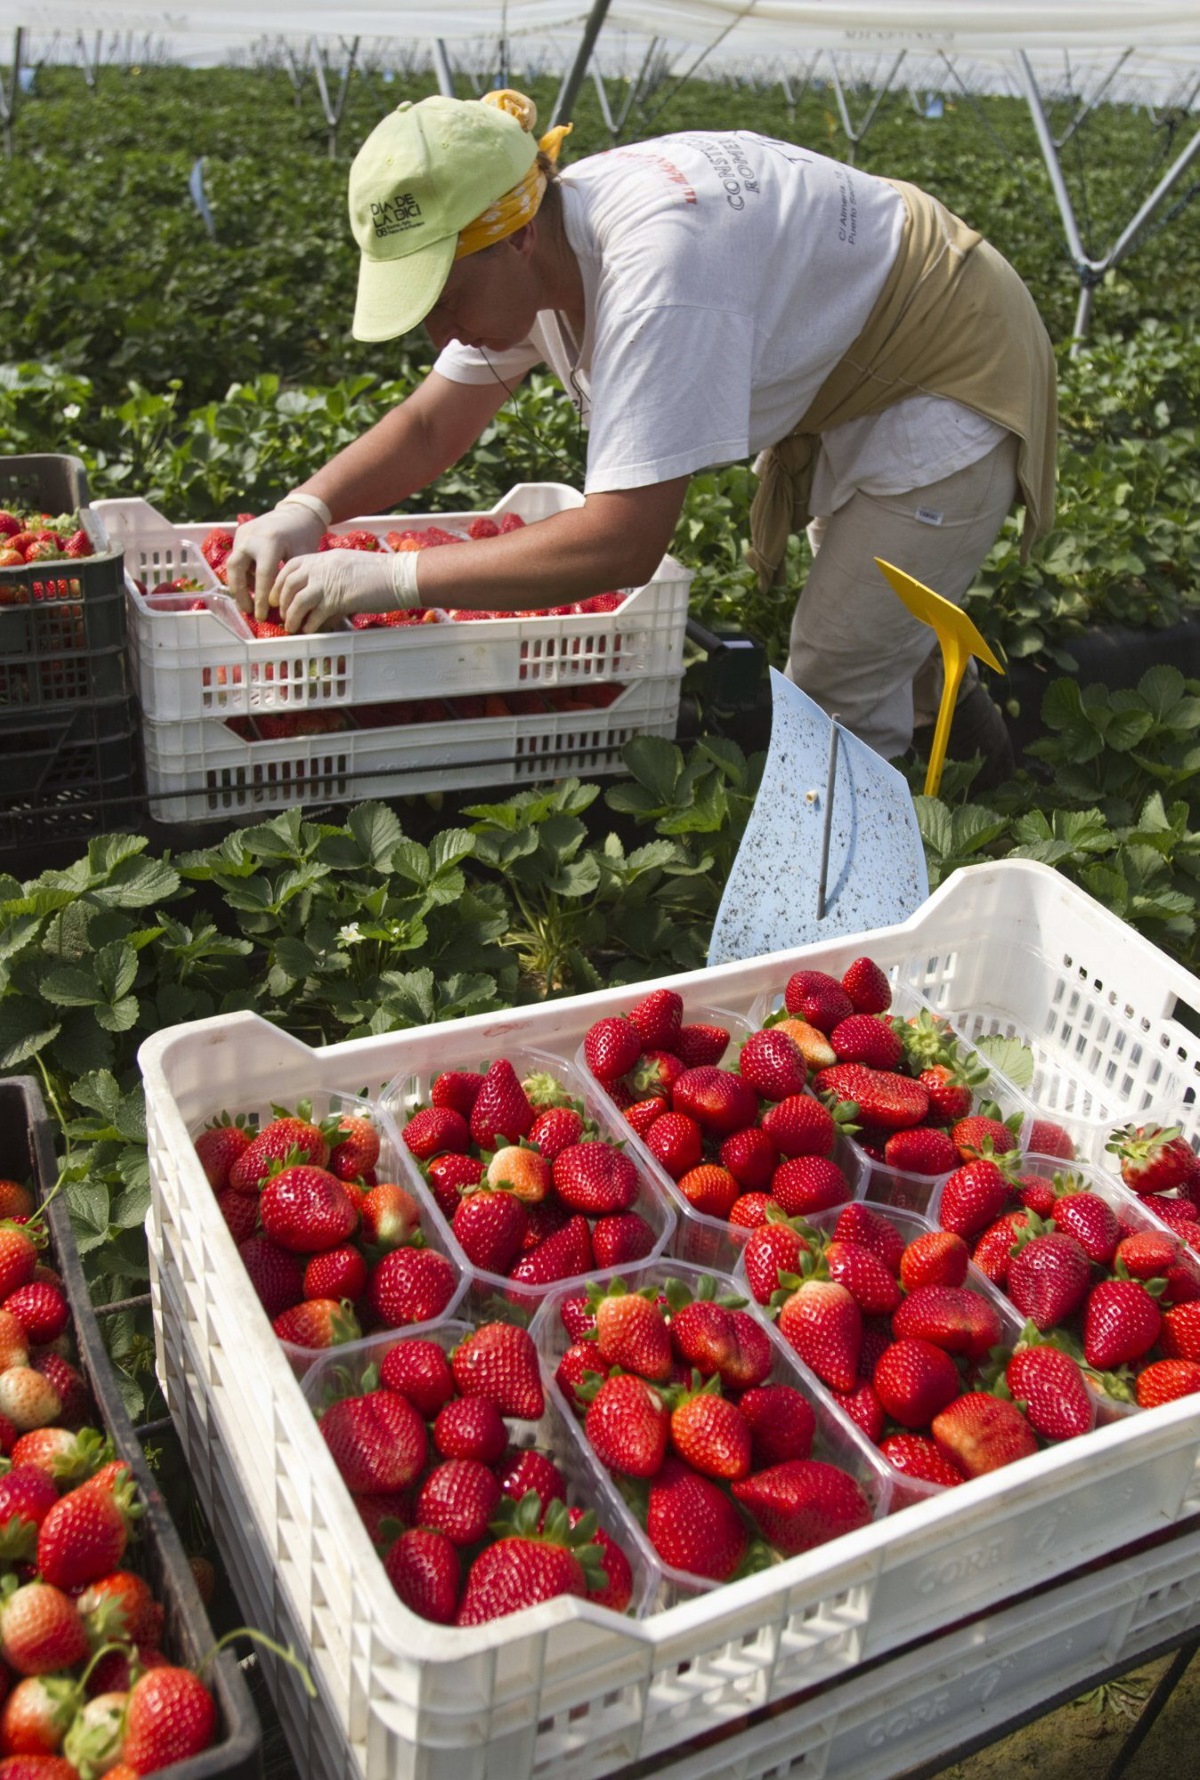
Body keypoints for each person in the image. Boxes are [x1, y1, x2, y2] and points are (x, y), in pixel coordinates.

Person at [226, 89, 1057, 775]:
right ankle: (994, 770)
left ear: (514, 237)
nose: (439, 332)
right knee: (877, 624)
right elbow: (431, 422)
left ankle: (860, 928)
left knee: (834, 678)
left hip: (945, 363)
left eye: (441, 299)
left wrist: (396, 580)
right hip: (854, 345)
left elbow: (621, 542)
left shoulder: (658, 279)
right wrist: (306, 506)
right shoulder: (539, 247)